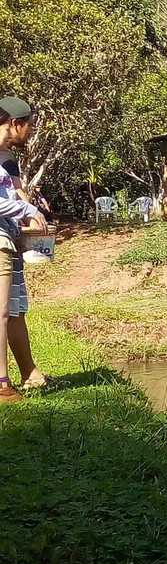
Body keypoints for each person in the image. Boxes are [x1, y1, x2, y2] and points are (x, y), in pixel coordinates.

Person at [0, 96, 51, 399]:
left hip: (9, 237)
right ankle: (3, 385)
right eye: (29, 126)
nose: (30, 132)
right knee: (1, 313)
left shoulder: (6, 158)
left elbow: (14, 194)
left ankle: (27, 374)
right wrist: (27, 211)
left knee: (12, 310)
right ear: (14, 123)